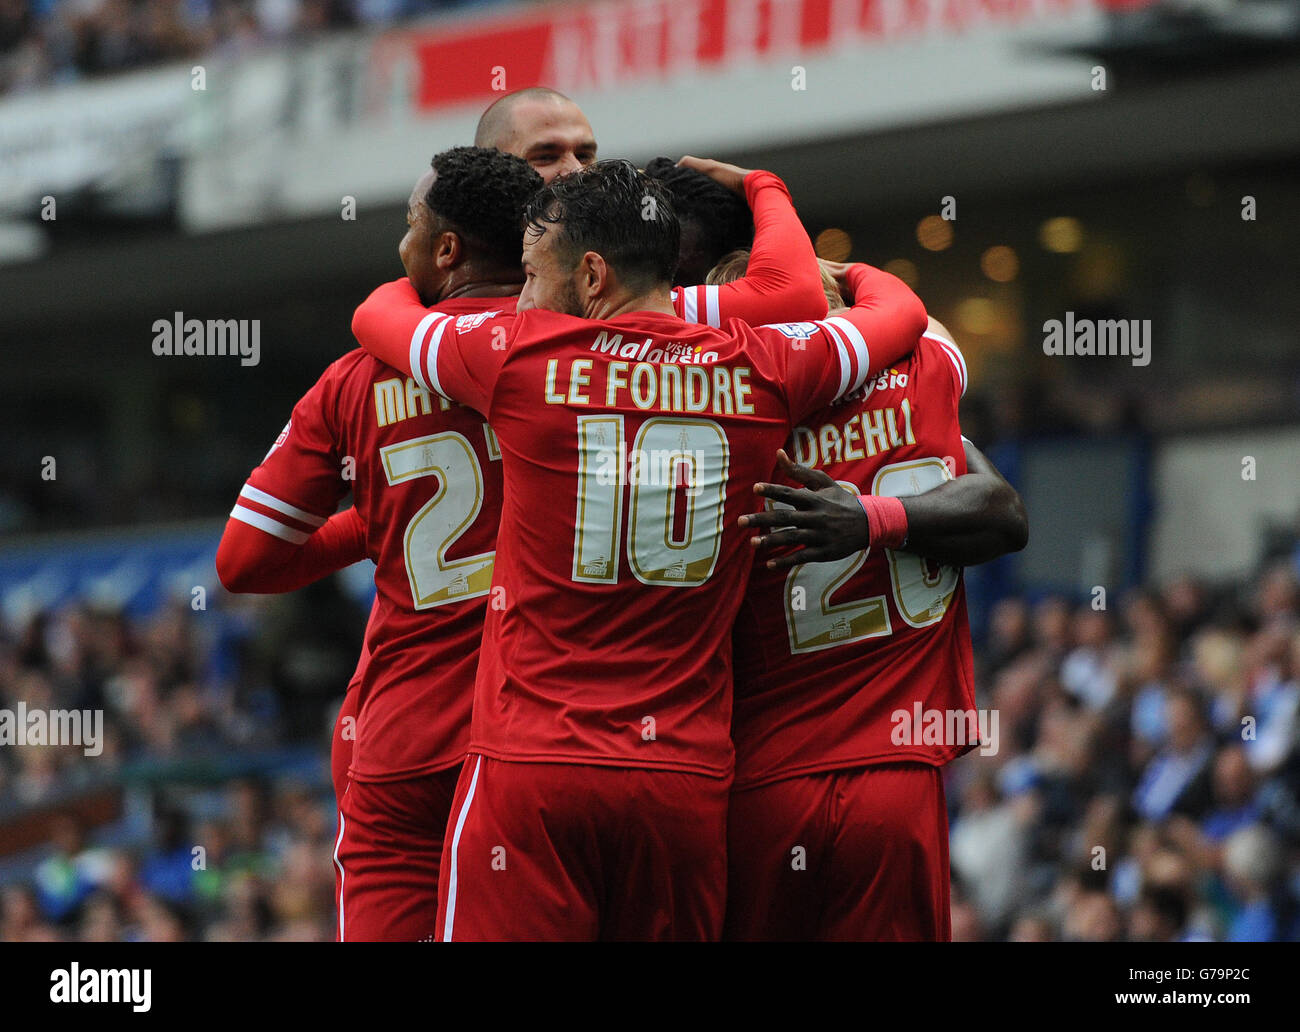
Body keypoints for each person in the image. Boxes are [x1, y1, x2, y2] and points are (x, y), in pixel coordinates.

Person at [349, 158, 928, 940]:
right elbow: (901, 311)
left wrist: (416, 267)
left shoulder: (519, 361)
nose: (522, 296)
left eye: (530, 275)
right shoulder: (766, 369)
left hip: (533, 771)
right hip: (681, 787)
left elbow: (378, 319)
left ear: (591, 275)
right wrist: (827, 253)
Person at [216, 147, 544, 941]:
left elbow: (244, 562)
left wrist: (371, 526)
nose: (399, 245)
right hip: (548, 736)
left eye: (409, 224)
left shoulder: (358, 377)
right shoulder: (591, 351)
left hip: (406, 741)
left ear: (446, 250)